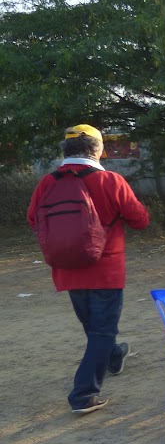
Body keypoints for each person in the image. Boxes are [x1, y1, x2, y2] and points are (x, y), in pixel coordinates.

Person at [27, 124, 150, 415]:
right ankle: (83, 394)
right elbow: (140, 220)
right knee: (102, 331)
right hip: (106, 270)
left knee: (95, 329)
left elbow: (34, 219)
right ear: (98, 150)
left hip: (67, 269)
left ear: (66, 151)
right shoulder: (111, 180)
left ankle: (114, 356)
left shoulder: (47, 182)